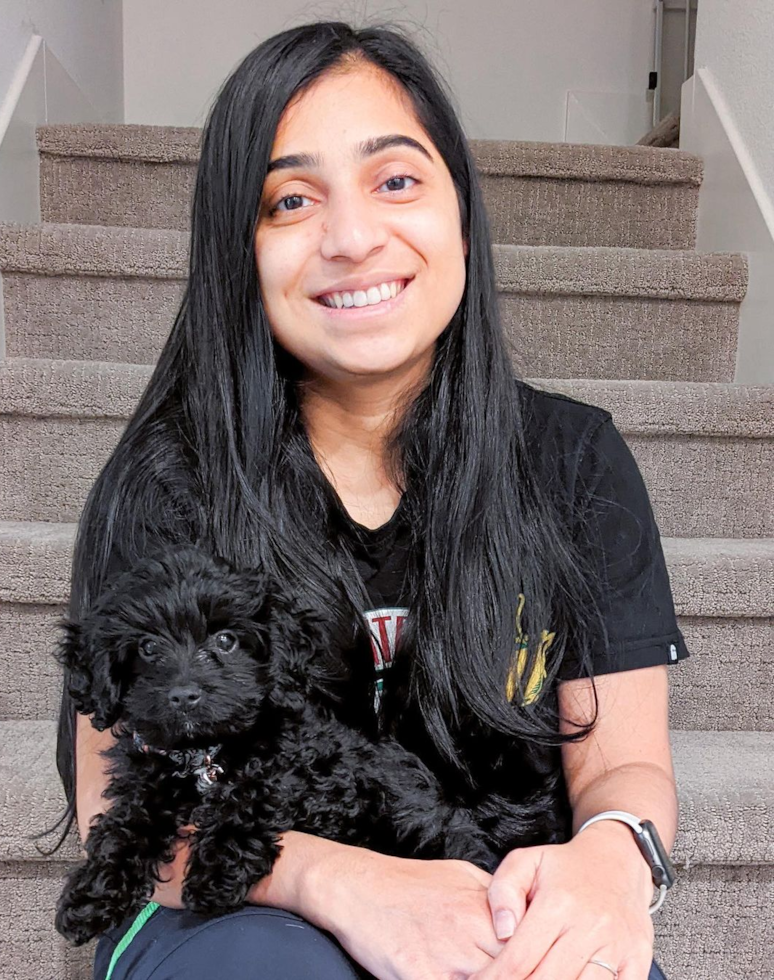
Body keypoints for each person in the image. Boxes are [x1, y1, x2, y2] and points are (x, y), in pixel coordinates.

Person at [43, 19, 690, 980]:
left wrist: (613, 860)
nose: (351, 239)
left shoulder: (573, 461)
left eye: (395, 181)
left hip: (490, 893)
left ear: (459, 208)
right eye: (291, 200)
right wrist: (334, 879)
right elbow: (122, 809)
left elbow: (623, 766)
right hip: (225, 901)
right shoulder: (166, 479)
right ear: (239, 250)